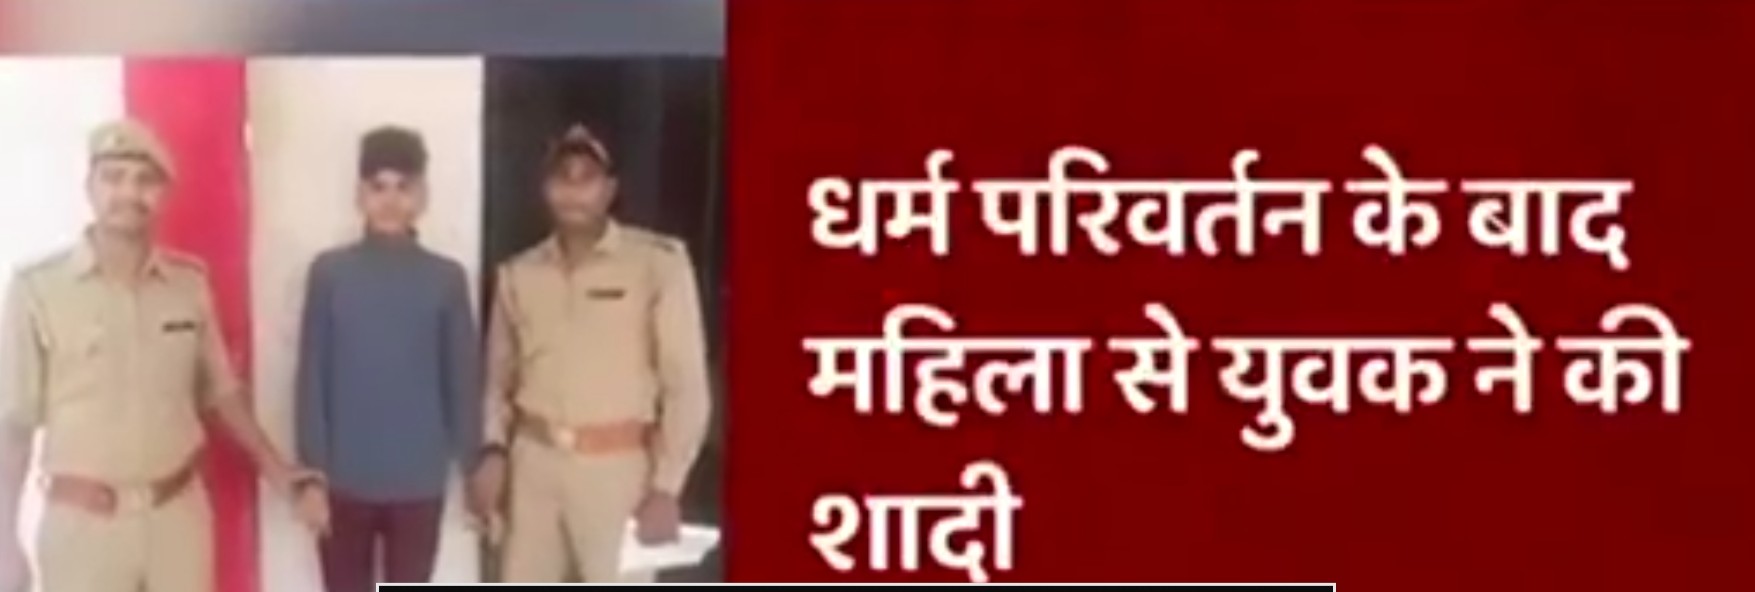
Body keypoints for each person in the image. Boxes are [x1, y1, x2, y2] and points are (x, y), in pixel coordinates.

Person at [0, 119, 328, 592]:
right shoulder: (38, 289)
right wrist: (5, 539)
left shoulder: (188, 284)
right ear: (89, 188)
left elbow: (222, 393)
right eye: (113, 177)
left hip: (177, 516)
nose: (129, 193)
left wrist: (279, 471)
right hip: (83, 529)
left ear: (164, 194)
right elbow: (14, 425)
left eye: (145, 180)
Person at [468, 123, 711, 583]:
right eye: (563, 177)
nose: (574, 191)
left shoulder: (656, 264)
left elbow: (685, 385)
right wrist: (494, 449)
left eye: (587, 178)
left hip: (617, 470)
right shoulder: (519, 273)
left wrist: (667, 485)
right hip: (534, 466)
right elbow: (498, 378)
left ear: (609, 189)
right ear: (545, 189)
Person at [294, 126, 481, 591]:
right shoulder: (330, 273)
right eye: (378, 187)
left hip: (419, 480)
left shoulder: (445, 278)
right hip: (344, 480)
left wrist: (474, 469)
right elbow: (312, 377)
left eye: (403, 187)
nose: (391, 201)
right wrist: (312, 474)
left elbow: (461, 380)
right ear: (360, 195)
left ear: (423, 195)